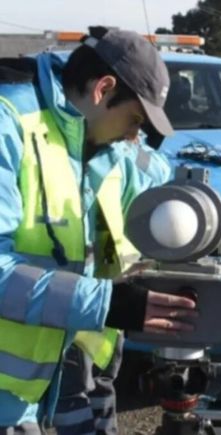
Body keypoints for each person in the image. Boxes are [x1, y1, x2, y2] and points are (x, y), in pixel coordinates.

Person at [0, 27, 198, 434]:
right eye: (135, 120)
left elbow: (159, 174)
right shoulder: (11, 125)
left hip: (71, 362)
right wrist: (107, 304)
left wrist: (197, 208)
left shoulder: (113, 145)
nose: (135, 136)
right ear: (103, 89)